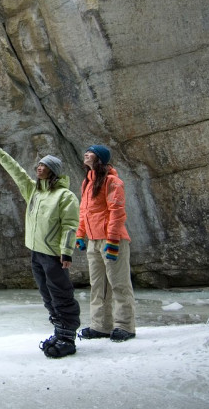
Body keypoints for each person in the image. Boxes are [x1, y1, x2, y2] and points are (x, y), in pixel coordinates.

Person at [0, 138, 80, 358]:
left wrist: (66, 252)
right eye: (38, 165)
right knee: (47, 294)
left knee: (61, 294)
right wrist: (0, 154)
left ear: (53, 171)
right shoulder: (34, 192)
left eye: (44, 165)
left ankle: (68, 337)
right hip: (37, 253)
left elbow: (70, 225)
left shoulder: (64, 196)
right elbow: (17, 173)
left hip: (54, 255)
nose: (39, 167)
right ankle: (59, 330)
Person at [74, 144, 136, 342]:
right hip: (93, 241)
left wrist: (113, 240)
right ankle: (101, 326)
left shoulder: (112, 182)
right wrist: (80, 235)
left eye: (90, 152)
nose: (86, 153)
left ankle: (125, 326)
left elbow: (117, 212)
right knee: (98, 285)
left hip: (112, 240)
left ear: (100, 158)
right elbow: (84, 212)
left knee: (119, 284)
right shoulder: (87, 183)